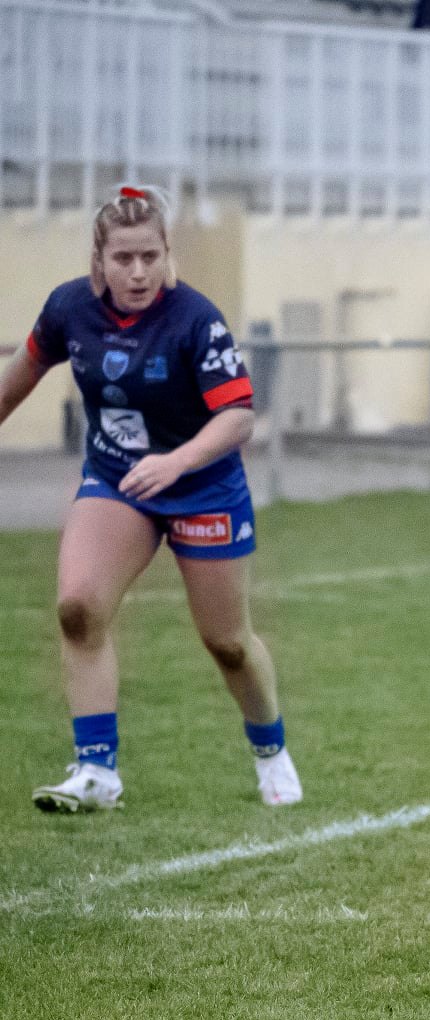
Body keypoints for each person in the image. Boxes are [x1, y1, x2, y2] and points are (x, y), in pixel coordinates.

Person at [0, 186, 301, 812]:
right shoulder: (69, 310)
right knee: (78, 607)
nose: (138, 272)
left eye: (150, 256)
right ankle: (96, 772)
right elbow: (20, 375)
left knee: (227, 642)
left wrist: (176, 462)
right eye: (123, 258)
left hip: (202, 486)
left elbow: (239, 418)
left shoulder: (196, 318)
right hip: (118, 482)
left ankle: (270, 751)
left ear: (168, 255)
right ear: (99, 260)